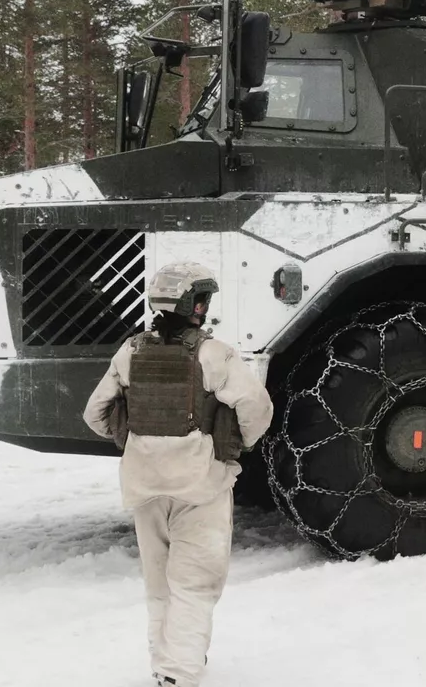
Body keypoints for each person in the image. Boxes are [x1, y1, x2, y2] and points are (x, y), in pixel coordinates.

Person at [82, 262, 274, 687]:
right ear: (196, 304)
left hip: (143, 485)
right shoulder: (213, 353)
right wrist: (235, 444)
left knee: (159, 585)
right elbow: (257, 409)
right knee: (194, 585)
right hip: (199, 486)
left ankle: (163, 665)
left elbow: (95, 414)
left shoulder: (130, 351)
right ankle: (178, 675)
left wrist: (134, 438)